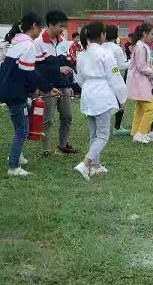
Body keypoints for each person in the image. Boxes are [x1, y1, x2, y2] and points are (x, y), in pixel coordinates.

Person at [0, 12, 59, 176]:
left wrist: (46, 87)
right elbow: (29, 74)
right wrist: (40, 90)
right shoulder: (28, 45)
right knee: (22, 130)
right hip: (16, 92)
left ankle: (17, 155)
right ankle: (13, 166)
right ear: (34, 26)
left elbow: (29, 71)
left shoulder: (17, 42)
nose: (40, 31)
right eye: (40, 27)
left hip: (8, 90)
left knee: (20, 125)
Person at [73, 21, 127, 180]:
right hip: (101, 94)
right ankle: (85, 163)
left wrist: (89, 87)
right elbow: (115, 76)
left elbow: (80, 79)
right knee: (103, 134)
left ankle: (96, 166)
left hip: (88, 93)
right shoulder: (106, 54)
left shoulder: (81, 54)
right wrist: (122, 96)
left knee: (94, 133)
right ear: (102, 35)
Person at [34, 10, 77, 157]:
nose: (62, 29)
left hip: (64, 86)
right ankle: (46, 149)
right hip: (48, 87)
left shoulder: (63, 42)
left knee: (67, 117)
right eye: (60, 26)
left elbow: (67, 64)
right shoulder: (38, 43)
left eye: (64, 26)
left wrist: (70, 85)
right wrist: (57, 69)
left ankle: (63, 146)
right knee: (48, 119)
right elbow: (37, 68)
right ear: (51, 25)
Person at [126, 23, 153, 143]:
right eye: (152, 34)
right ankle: (141, 133)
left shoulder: (142, 46)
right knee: (152, 108)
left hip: (140, 82)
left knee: (140, 109)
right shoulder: (141, 47)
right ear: (144, 34)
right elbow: (142, 67)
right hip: (139, 82)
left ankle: (136, 132)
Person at [102, 25, 130, 136]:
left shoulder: (101, 47)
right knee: (121, 102)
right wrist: (131, 61)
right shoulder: (116, 48)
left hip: (102, 81)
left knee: (105, 104)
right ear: (116, 34)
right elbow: (121, 66)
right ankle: (117, 127)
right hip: (114, 79)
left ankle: (104, 127)